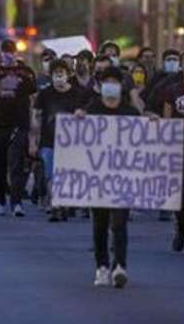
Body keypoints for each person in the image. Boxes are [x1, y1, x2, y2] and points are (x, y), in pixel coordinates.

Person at [76, 66, 138, 288]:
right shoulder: (91, 110)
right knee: (100, 224)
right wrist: (78, 121)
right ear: (100, 86)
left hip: (122, 177)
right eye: (106, 81)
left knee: (120, 222)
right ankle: (102, 267)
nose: (111, 85)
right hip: (97, 178)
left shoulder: (131, 113)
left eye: (115, 81)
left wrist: (152, 126)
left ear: (121, 86)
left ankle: (120, 266)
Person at [30, 58, 86, 222]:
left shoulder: (77, 93)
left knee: (67, 174)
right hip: (48, 141)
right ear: (51, 75)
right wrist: (33, 141)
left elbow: (85, 113)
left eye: (62, 73)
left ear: (68, 75)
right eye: (56, 74)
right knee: (51, 174)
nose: (59, 77)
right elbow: (36, 117)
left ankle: (64, 203)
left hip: (71, 143)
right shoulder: (45, 94)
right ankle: (55, 205)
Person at [0, 50, 36, 217]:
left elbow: (32, 88)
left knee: (17, 164)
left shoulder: (25, 72)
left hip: (19, 125)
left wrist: (17, 69)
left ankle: (16, 202)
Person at [162, 49, 184, 256]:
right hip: (178, 145)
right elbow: (166, 120)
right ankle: (181, 226)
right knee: (179, 193)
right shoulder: (172, 89)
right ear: (182, 65)